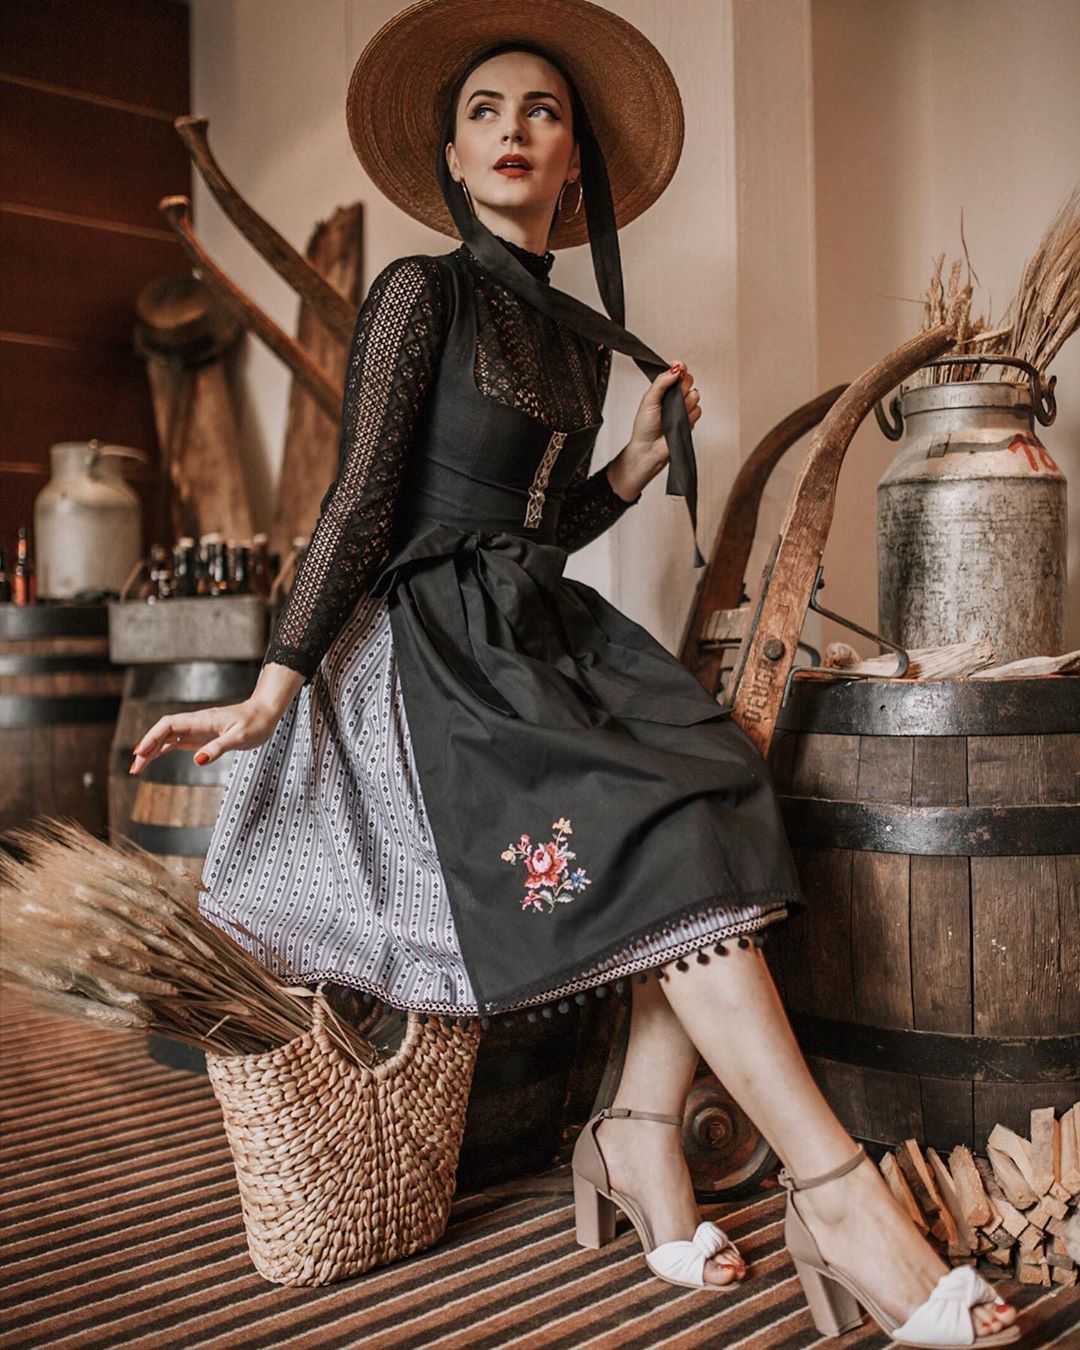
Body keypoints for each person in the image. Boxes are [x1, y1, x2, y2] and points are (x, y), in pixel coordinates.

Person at [129, 2, 1021, 1341]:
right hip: (426, 655)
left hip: (530, 624)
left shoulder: (574, 340)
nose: (513, 131)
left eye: (541, 113)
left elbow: (533, 531)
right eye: (484, 112)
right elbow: (362, 503)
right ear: (451, 157)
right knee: (656, 839)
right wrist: (278, 681)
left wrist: (635, 468)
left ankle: (636, 1131)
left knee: (716, 793)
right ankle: (839, 1198)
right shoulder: (419, 293)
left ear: (574, 163)